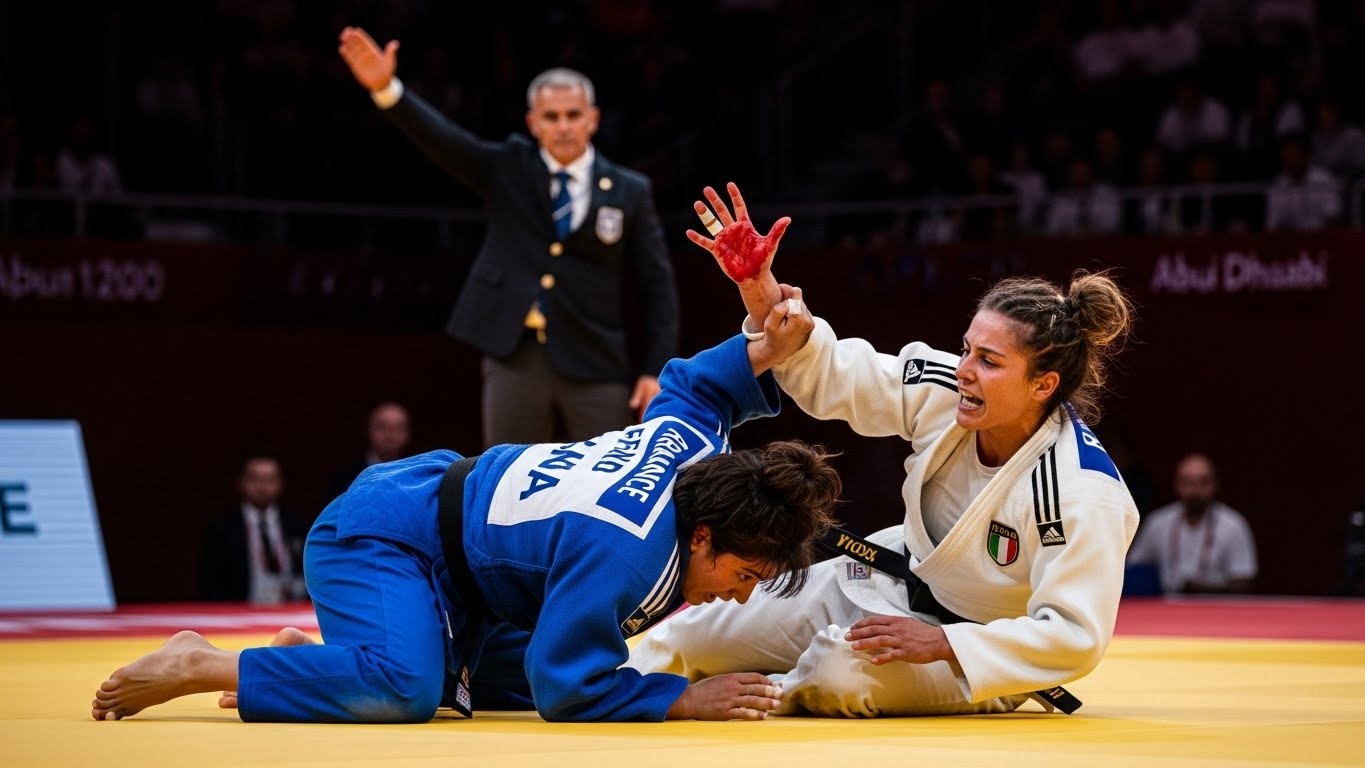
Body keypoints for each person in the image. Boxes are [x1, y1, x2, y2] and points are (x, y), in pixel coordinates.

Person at [91, 310, 842, 724]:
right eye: (743, 575)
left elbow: (695, 386)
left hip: (460, 566)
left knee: (497, 690)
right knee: (407, 692)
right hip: (384, 535)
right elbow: (564, 687)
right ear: (702, 535)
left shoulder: (692, 453)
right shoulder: (628, 554)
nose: (740, 595)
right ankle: (201, 662)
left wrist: (762, 344)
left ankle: (319, 659)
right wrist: (681, 700)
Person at [627, 182, 1140, 717]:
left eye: (989, 361)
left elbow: (1075, 634)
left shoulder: (1082, 490)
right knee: (692, 636)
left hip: (973, 651)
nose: (965, 370)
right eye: (967, 348)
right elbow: (842, 377)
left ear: (1043, 385)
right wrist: (762, 294)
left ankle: (758, 697)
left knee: (838, 673)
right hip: (884, 581)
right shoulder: (947, 391)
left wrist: (944, 645)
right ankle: (599, 692)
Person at [338, 27, 680, 447]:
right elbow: (445, 142)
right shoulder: (510, 167)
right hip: (515, 354)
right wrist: (387, 89)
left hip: (597, 359)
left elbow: (656, 286)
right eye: (551, 117)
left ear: (593, 118)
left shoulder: (630, 189)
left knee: (606, 484)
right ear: (533, 123)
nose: (563, 126)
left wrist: (656, 370)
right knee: (506, 482)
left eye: (573, 115)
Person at [1126, 453, 1258, 594]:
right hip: (1167, 606)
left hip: (1216, 607)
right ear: (1177, 485)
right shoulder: (1158, 523)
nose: (1195, 490)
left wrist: (1202, 591)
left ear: (1215, 485)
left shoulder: (1233, 525)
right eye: (1187, 482)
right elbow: (1134, 568)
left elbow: (1244, 581)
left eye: (1203, 482)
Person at [198, 454, 309, 605]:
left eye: (270, 479)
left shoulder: (298, 525)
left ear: (281, 484)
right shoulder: (221, 529)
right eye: (254, 479)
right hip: (239, 612)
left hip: (290, 611)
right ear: (241, 482)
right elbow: (209, 583)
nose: (262, 486)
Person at [325, 401, 412, 501]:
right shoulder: (344, 478)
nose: (390, 435)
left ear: (408, 433)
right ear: (369, 430)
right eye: (382, 427)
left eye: (398, 428)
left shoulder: (417, 479)